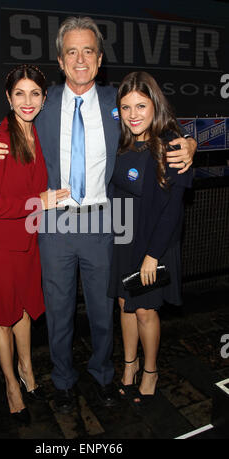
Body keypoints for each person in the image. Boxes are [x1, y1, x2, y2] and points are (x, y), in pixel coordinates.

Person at [0, 17, 197, 414]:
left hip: (104, 221)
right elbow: (10, 126)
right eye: (72, 52)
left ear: (99, 59)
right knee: (57, 312)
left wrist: (190, 143)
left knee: (103, 311)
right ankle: (62, 380)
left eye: (88, 51)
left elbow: (158, 123)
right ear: (61, 60)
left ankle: (103, 376)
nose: (80, 59)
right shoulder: (43, 103)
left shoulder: (118, 101)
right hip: (55, 221)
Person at [0, 64, 70, 423]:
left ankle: (28, 372)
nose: (27, 101)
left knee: (25, 311)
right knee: (3, 318)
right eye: (19, 93)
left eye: (34, 94)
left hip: (29, 240)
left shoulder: (39, 134)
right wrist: (38, 203)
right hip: (0, 245)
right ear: (8, 98)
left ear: (44, 99)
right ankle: (12, 386)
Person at [108, 71, 193, 406]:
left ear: (154, 105)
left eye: (141, 106)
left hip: (154, 243)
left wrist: (152, 255)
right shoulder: (122, 140)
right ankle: (129, 365)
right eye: (126, 107)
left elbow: (174, 210)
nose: (133, 114)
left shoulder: (173, 144)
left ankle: (151, 371)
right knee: (124, 305)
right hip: (124, 237)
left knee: (144, 311)